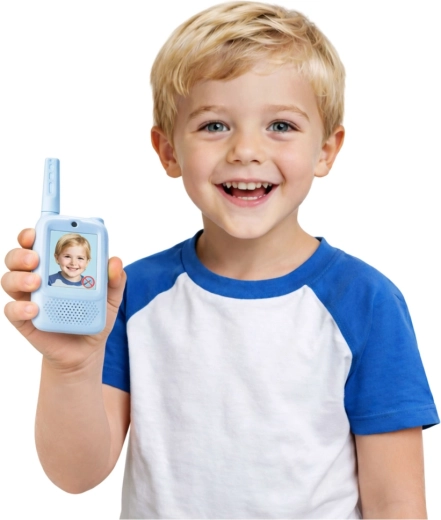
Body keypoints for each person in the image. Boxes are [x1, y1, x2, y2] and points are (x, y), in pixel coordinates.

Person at [1, 2, 439, 518]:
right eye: (214, 126)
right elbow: (76, 475)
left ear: (326, 150)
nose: (246, 150)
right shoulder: (131, 294)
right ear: (168, 151)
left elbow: (396, 503)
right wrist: (70, 366)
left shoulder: (366, 301)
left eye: (280, 125)